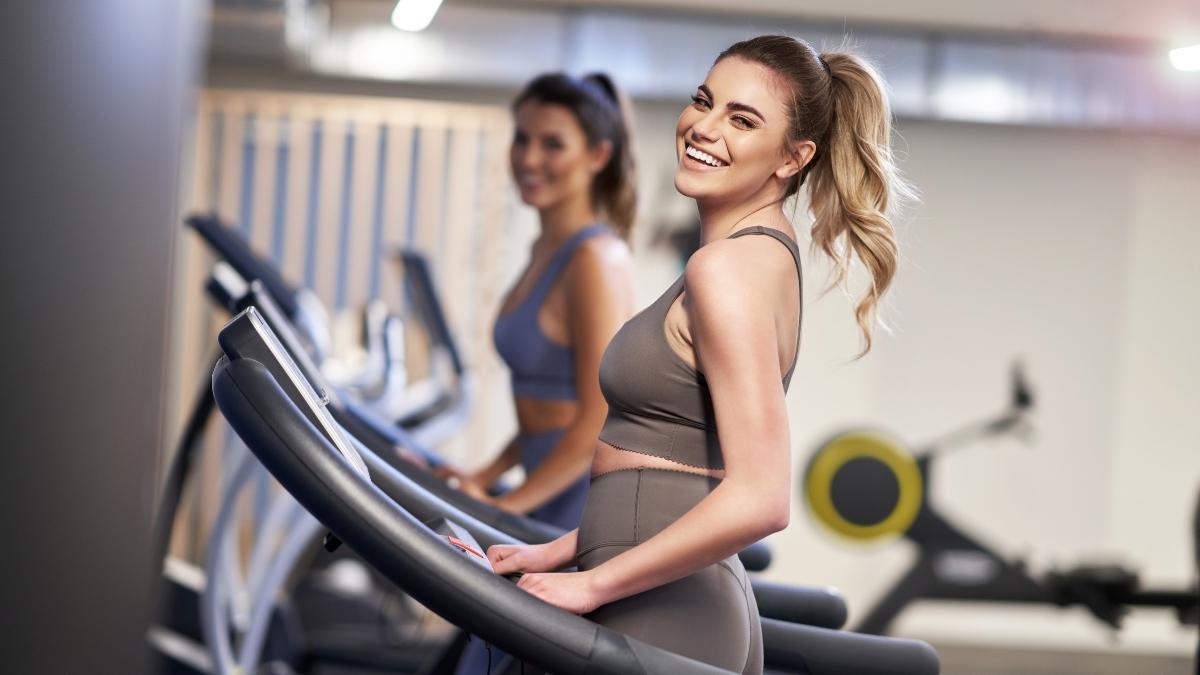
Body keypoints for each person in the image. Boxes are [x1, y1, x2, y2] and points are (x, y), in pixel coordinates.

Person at [487, 35, 913, 674]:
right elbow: (680, 470)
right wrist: (560, 552)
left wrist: (593, 584)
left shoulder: (727, 270)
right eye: (704, 101)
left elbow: (762, 497)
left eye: (743, 120)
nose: (704, 128)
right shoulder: (755, 254)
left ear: (794, 157)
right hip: (659, 588)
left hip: (662, 609)